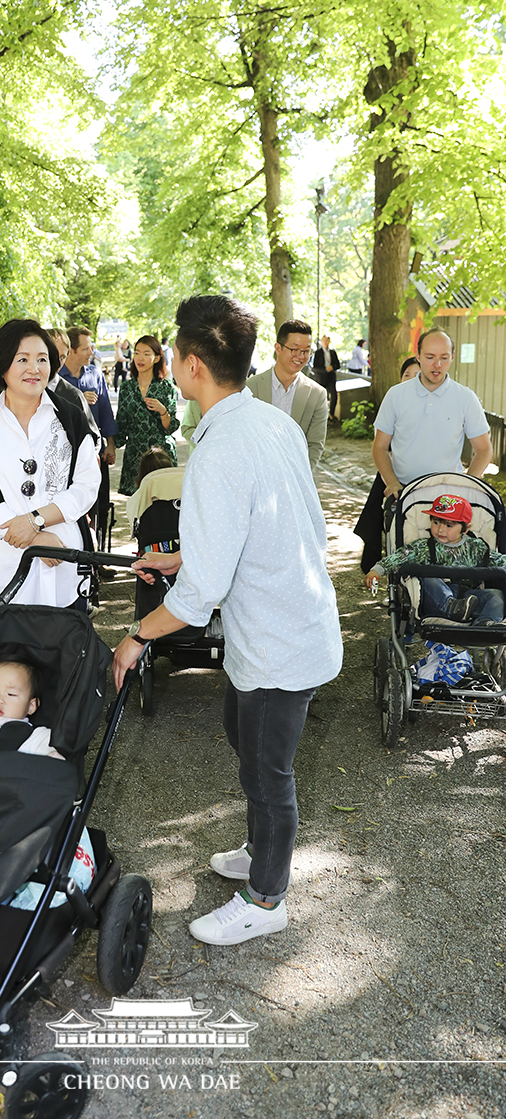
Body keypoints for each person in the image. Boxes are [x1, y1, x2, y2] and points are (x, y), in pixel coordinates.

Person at [112, 294, 342, 947]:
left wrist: (134, 638)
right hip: (271, 628)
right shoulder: (271, 423)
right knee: (243, 739)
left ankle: (268, 898)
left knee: (270, 770)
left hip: (281, 639)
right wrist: (183, 551)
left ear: (187, 365)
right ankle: (259, 847)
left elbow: (197, 597)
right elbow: (264, 525)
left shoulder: (222, 449)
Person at [0, 319, 100, 608]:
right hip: (8, 562)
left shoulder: (71, 417)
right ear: (2, 365)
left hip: (64, 559)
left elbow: (86, 485)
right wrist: (32, 537)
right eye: (22, 359)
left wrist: (36, 521)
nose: (34, 369)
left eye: (42, 359)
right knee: (13, 651)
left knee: (65, 647)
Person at [372, 329, 492, 503]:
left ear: (452, 356)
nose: (437, 365)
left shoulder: (466, 398)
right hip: (403, 493)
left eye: (444, 358)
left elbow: (484, 449)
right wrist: (392, 483)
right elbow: (379, 447)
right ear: (418, 356)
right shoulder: (395, 395)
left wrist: (467, 484)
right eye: (430, 357)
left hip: (449, 496)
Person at [365, 494, 506, 624]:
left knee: (496, 595)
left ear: (465, 529)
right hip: (435, 599)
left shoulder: (477, 548)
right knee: (429, 576)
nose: (440, 530)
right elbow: (400, 557)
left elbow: (499, 560)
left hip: (468, 599)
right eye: (436, 522)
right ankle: (451, 608)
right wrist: (377, 570)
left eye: (449, 525)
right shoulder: (423, 547)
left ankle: (486, 623)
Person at [353, 353, 423, 573]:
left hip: (426, 477)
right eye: (406, 374)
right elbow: (381, 445)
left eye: (417, 375)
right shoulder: (394, 400)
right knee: (380, 499)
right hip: (394, 472)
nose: (411, 379)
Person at [59, 326, 117, 548]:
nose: (91, 351)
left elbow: (105, 410)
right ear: (72, 351)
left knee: (100, 505)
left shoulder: (95, 373)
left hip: (96, 453)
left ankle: (99, 556)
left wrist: (110, 444)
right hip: (67, 455)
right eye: (86, 348)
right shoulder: (56, 378)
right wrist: (78, 398)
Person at [245, 319, 327, 470]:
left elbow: (315, 444)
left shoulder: (317, 394)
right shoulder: (250, 388)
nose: (300, 356)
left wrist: (299, 477)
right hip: (255, 473)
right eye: (294, 349)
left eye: (306, 351)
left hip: (295, 476)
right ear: (278, 348)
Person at [114, 335, 179, 495]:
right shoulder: (127, 387)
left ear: (157, 358)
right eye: (137, 353)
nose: (140, 358)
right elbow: (121, 423)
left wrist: (163, 410)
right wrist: (110, 445)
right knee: (137, 508)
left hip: (160, 454)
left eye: (146, 353)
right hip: (135, 453)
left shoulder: (166, 387)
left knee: (163, 502)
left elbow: (170, 428)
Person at [47, 330, 101, 447]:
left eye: (62, 357)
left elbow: (93, 438)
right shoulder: (15, 392)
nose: (57, 362)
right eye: (52, 355)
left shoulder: (73, 396)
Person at [313, 334, 340, 420]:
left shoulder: (332, 352)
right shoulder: (318, 353)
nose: (326, 342)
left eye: (327, 340)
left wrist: (332, 367)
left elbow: (338, 365)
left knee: (334, 395)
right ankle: (320, 414)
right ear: (321, 342)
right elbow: (315, 367)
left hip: (331, 377)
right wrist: (325, 369)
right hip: (321, 377)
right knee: (320, 396)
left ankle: (331, 414)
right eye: (324, 341)